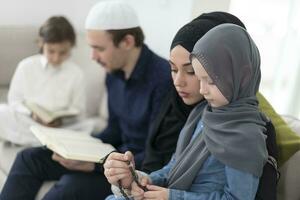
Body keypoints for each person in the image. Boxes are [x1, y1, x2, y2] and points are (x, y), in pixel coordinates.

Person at [0, 1, 171, 200]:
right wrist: (78, 151)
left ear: (127, 42)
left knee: (69, 187)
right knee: (29, 157)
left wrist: (94, 165)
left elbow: (155, 158)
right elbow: (114, 130)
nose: (93, 57)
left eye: (98, 48)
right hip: (111, 158)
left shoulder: (164, 80)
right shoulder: (114, 72)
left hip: (131, 170)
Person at [104, 24, 274, 199]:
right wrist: (140, 179)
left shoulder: (246, 135)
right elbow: (173, 167)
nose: (202, 90)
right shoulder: (202, 113)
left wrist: (172, 197)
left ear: (241, 76)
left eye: (211, 81)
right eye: (200, 79)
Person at [0, 16, 86, 146]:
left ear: (71, 47)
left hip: (61, 127)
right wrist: (32, 114)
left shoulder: (76, 73)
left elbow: (78, 110)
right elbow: (14, 101)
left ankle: (36, 141)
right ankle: (45, 142)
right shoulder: (26, 66)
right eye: (51, 51)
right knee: (2, 112)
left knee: (91, 126)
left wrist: (61, 121)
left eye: (63, 52)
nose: (56, 58)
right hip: (30, 122)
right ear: (41, 43)